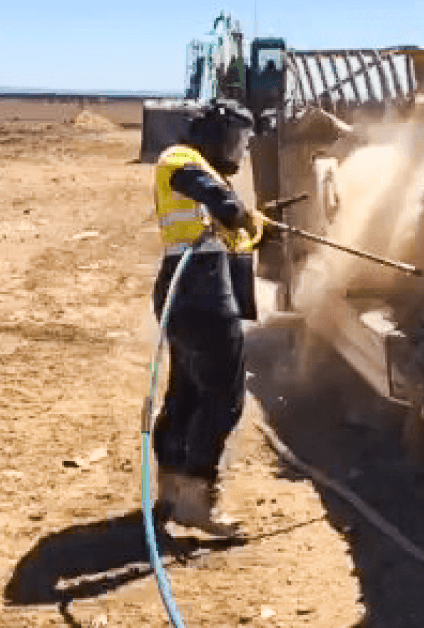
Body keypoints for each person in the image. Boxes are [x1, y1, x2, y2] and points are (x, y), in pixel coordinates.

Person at [151, 100, 261, 536]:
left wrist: (253, 225)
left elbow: (227, 227)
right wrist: (233, 208)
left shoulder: (201, 171)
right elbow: (214, 197)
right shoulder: (181, 158)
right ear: (214, 133)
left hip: (183, 290)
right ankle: (198, 498)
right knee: (224, 396)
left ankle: (171, 490)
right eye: (236, 140)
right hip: (200, 290)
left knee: (187, 391)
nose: (239, 150)